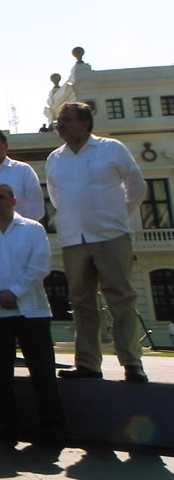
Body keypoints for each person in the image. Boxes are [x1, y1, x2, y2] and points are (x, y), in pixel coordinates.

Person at [47, 101, 148, 383]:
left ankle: (132, 363)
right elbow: (56, 197)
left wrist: (115, 216)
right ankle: (88, 364)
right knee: (81, 302)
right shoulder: (55, 158)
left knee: (121, 300)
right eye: (58, 121)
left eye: (66, 120)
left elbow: (137, 187)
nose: (60, 125)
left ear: (85, 123)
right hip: (73, 239)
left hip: (111, 236)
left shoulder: (111, 148)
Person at [0, 183, 66, 445]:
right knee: (1, 375)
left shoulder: (33, 229)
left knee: (42, 372)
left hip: (32, 310)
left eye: (1, 197)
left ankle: (52, 429)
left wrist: (16, 292)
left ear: (13, 201)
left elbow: (40, 265)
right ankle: (4, 428)